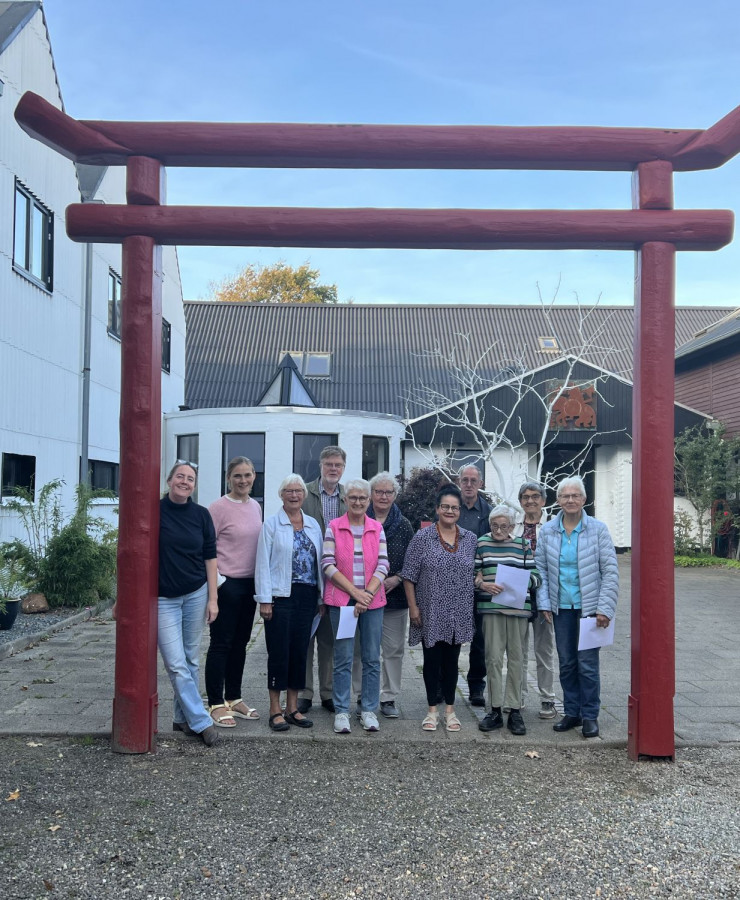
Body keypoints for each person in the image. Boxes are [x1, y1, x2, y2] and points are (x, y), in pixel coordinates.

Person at [535, 476, 619, 739]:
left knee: (587, 665)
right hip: (561, 609)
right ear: (558, 500)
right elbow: (542, 571)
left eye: (575, 496)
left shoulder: (598, 529)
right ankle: (572, 712)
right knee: (567, 663)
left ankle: (590, 715)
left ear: (584, 499)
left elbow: (610, 571)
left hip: (590, 609)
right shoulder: (548, 531)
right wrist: (545, 604)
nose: (570, 500)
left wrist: (605, 607)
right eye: (564, 496)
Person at [402, 484, 477, 733]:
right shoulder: (422, 538)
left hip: (458, 611)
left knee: (453, 662)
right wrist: (413, 608)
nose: (449, 511)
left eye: (454, 507)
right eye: (445, 506)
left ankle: (450, 711)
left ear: (459, 511)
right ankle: (432, 710)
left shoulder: (470, 539)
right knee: (432, 662)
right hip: (431, 611)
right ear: (437, 509)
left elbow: (475, 573)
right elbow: (409, 576)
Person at [255, 475, 324, 732]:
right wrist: (264, 599)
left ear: (304, 495)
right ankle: (274, 709)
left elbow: (319, 563)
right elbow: (262, 563)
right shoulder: (272, 524)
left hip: (307, 597)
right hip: (280, 596)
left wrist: (321, 598)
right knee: (279, 653)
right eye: (289, 491)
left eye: (298, 491)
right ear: (281, 494)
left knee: (299, 653)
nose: (294, 495)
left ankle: (292, 708)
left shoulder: (313, 525)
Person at [158, 461, 219, 747]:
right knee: (176, 663)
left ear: (194, 485)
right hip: (163, 598)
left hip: (196, 593)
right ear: (169, 480)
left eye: (190, 479)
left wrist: (213, 599)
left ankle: (181, 719)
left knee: (192, 659)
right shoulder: (154, 511)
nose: (184, 482)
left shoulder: (201, 515)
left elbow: (210, 557)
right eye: (180, 476)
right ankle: (202, 721)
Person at [322, 478, 388, 734]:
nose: (358, 502)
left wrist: (366, 595)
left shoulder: (376, 528)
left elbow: (383, 564)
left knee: (372, 657)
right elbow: (328, 564)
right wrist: (354, 594)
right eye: (353, 498)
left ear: (368, 501)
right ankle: (341, 711)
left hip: (372, 602)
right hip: (343, 602)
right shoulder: (334, 527)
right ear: (346, 500)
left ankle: (368, 709)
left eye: (362, 498)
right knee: (343, 657)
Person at [204, 457, 262, 728]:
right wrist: (217, 585)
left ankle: (234, 697)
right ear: (228, 478)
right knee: (221, 644)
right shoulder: (217, 508)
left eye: (248, 475)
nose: (243, 480)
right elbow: (206, 549)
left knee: (241, 644)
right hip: (226, 585)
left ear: (254, 477)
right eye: (237, 476)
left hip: (249, 585)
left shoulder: (255, 506)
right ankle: (215, 702)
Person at [351, 472, 413, 719]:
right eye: (379, 492)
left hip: (394, 597)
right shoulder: (358, 520)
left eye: (388, 492)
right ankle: (360, 694)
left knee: (393, 649)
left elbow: (412, 561)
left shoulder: (404, 525)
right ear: (370, 495)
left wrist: (396, 578)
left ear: (395, 496)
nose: (383, 496)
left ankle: (388, 697)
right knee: (360, 648)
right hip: (362, 597)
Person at [475, 506, 541, 736]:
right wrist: (482, 584)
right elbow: (475, 573)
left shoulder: (522, 545)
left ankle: (514, 710)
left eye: (504, 526)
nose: (499, 530)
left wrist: (522, 582)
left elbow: (536, 577)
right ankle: (493, 710)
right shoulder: (481, 543)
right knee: (492, 659)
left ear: (512, 527)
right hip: (491, 608)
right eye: (495, 525)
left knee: (516, 659)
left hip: (517, 610)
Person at [297, 446, 347, 715]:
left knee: (330, 639)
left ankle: (327, 692)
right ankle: (304, 692)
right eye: (329, 464)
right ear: (320, 465)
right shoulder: (305, 493)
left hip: (338, 578)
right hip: (307, 575)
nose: (333, 469)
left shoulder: (349, 497)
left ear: (343, 468)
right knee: (306, 638)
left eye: (338, 465)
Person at [513, 481, 557, 719]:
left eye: (535, 496)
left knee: (544, 649)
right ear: (520, 501)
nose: (530, 500)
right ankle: (517, 696)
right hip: (518, 594)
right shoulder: (513, 526)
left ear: (543, 500)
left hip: (544, 596)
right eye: (525, 497)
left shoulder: (552, 527)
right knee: (517, 649)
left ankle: (548, 698)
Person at [457, 465, 491, 707]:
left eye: (473, 480)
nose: (469, 484)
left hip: (480, 584)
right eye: (464, 480)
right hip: (451, 585)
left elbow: (493, 546)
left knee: (480, 639)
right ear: (459, 482)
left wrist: (481, 574)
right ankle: (442, 683)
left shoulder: (489, 513)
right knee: (449, 636)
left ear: (480, 483)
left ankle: (476, 686)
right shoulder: (449, 508)